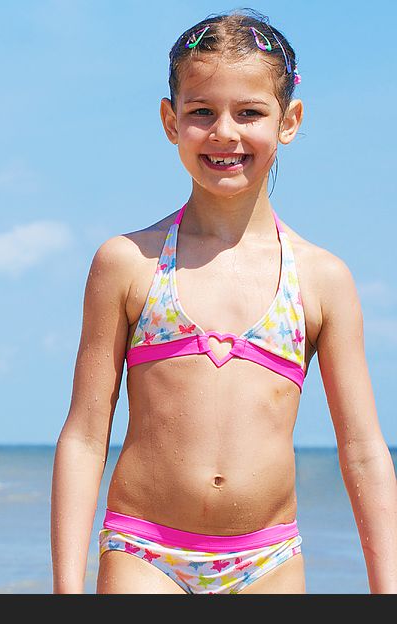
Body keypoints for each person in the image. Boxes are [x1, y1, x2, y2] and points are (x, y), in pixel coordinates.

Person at [50, 9, 397, 594]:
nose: (225, 133)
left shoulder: (320, 279)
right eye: (201, 112)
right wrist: (65, 591)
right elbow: (86, 434)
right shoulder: (128, 264)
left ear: (289, 121)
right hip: (145, 551)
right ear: (170, 119)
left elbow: (362, 449)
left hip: (269, 561)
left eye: (251, 112)